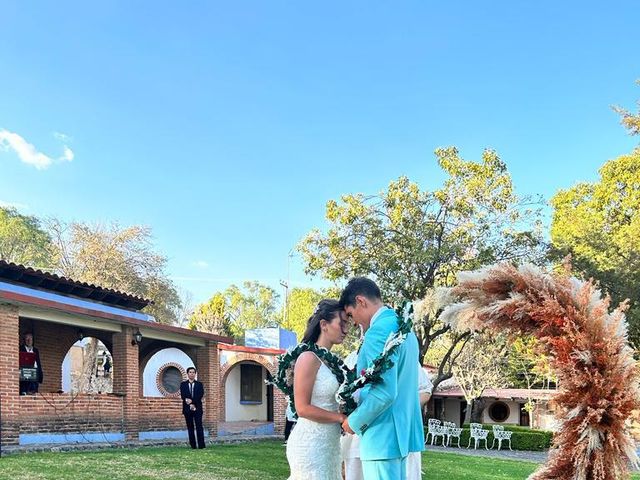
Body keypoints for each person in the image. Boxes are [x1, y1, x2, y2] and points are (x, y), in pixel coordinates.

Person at [340, 277, 425, 480]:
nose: (354, 322)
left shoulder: (377, 332)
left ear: (361, 301)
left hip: (382, 435)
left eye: (351, 315)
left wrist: (353, 421)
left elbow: (384, 392)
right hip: (401, 434)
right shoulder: (404, 329)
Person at [286, 299, 348, 480]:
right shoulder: (308, 358)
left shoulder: (331, 362)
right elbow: (302, 408)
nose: (346, 330)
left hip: (330, 442)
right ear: (324, 325)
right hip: (311, 444)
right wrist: (340, 418)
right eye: (341, 323)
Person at [180, 366, 206, 449]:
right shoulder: (183, 384)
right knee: (190, 427)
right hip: (187, 409)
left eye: (193, 372)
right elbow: (183, 396)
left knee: (199, 426)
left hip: (197, 408)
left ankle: (201, 445)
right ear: (187, 374)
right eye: (190, 372)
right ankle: (193, 445)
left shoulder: (199, 384)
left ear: (195, 374)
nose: (192, 374)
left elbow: (200, 395)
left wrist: (192, 402)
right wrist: (189, 403)